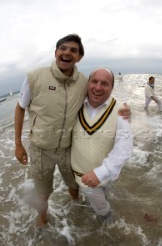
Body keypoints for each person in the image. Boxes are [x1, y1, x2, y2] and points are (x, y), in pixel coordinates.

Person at [14, 34, 131, 228]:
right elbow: (20, 107)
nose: (67, 52)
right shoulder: (34, 77)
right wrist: (18, 144)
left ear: (79, 57)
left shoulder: (83, 82)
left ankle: (75, 205)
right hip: (41, 149)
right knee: (43, 191)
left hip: (68, 148)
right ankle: (41, 221)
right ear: (56, 52)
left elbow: (100, 93)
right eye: (63, 48)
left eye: (73, 50)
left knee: (74, 184)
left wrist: (124, 109)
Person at [71, 68, 133, 220]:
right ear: (88, 83)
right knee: (101, 207)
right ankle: (108, 221)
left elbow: (124, 147)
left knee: (106, 192)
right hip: (83, 177)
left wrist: (102, 172)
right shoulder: (74, 105)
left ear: (112, 87)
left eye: (104, 83)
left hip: (108, 173)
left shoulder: (119, 110)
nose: (98, 87)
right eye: (94, 81)